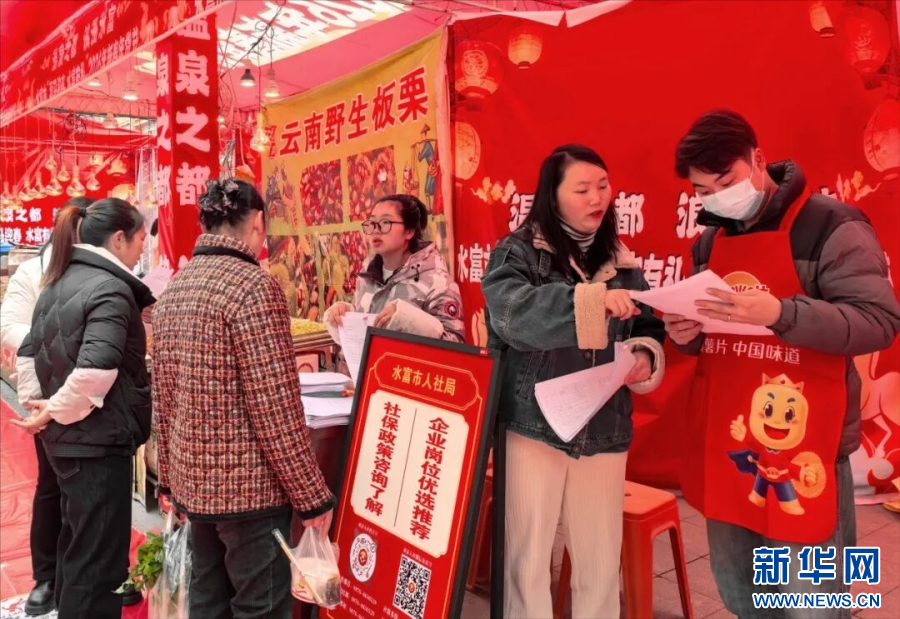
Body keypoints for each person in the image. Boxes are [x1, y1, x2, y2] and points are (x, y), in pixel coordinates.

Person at [667, 109, 900, 618]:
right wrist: (687, 335)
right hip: (733, 447)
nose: (715, 197)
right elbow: (712, 339)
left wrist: (780, 313)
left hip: (808, 449)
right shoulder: (709, 243)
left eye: (724, 181)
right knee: (743, 596)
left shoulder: (831, 227)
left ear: (758, 159)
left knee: (812, 601)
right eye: (702, 191)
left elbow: (878, 322)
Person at [481, 144, 666, 619]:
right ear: (552, 196)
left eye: (602, 186)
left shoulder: (622, 260)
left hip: (604, 424)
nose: (597, 198)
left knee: (599, 564)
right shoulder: (517, 251)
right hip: (532, 425)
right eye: (582, 189)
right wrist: (591, 302)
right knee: (526, 562)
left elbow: (646, 323)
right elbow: (511, 315)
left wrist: (644, 354)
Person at [151, 179, 335, 619]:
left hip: (196, 488)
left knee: (208, 599)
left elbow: (163, 397)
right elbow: (276, 407)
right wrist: (312, 497)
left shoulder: (176, 288)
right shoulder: (254, 286)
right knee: (260, 607)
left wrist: (170, 482)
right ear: (258, 222)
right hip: (251, 493)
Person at [11, 198, 153, 619]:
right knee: (98, 567)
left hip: (70, 442)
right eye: (140, 240)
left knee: (79, 552)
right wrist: (52, 409)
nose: (142, 250)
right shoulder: (109, 288)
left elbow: (27, 353)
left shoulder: (57, 282)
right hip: (96, 445)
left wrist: (40, 406)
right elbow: (96, 370)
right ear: (119, 238)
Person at [324, 193, 464, 345]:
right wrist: (344, 315)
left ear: (409, 231)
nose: (375, 230)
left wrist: (404, 318)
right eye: (372, 223)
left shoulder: (437, 281)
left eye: (385, 222)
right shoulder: (367, 276)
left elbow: (455, 345)